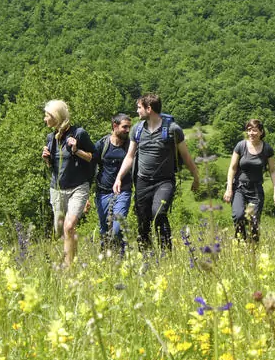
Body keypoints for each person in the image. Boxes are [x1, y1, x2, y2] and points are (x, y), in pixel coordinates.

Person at [113, 94, 199, 253]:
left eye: (139, 107)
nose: (137, 111)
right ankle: (146, 255)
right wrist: (119, 178)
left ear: (149, 109)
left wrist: (196, 177)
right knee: (143, 220)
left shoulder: (173, 129)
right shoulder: (137, 129)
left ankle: (166, 253)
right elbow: (130, 156)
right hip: (142, 181)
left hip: (164, 181)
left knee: (159, 213)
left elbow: (186, 156)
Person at [41, 99, 95, 267]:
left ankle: (69, 267)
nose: (44, 119)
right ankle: (72, 254)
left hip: (78, 187)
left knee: (69, 227)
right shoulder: (51, 138)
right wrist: (47, 159)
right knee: (60, 230)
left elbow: (92, 157)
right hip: (57, 189)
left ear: (56, 116)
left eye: (47, 115)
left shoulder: (79, 133)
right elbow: (53, 166)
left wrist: (76, 150)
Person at [224, 119, 275, 242]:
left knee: (253, 221)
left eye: (254, 130)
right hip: (239, 187)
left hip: (256, 190)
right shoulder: (241, 146)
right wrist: (229, 189)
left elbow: (272, 171)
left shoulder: (267, 149)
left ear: (261, 132)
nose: (251, 133)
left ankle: (253, 247)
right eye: (249, 130)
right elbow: (232, 168)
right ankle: (240, 243)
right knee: (238, 215)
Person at [89, 113, 133, 255]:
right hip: (103, 192)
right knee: (104, 230)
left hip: (123, 191)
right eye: (124, 127)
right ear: (115, 126)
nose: (127, 130)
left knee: (117, 227)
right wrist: (86, 195)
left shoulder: (130, 146)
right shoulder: (102, 144)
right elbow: (90, 167)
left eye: (129, 127)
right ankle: (106, 258)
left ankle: (121, 256)